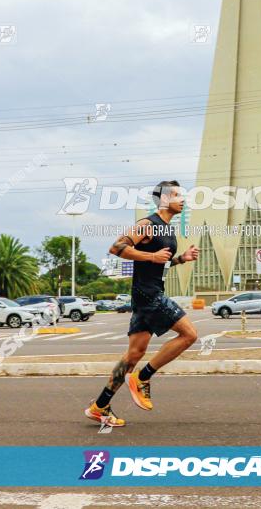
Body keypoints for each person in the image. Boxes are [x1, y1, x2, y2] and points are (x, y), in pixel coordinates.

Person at [84, 180, 200, 427]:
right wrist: (151, 255)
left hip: (147, 293)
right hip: (148, 295)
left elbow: (159, 262)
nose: (183, 200)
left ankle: (100, 406)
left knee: (133, 354)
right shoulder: (148, 224)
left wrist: (181, 258)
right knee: (189, 335)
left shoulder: (167, 230)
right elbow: (116, 247)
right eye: (178, 195)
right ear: (165, 199)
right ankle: (142, 378)